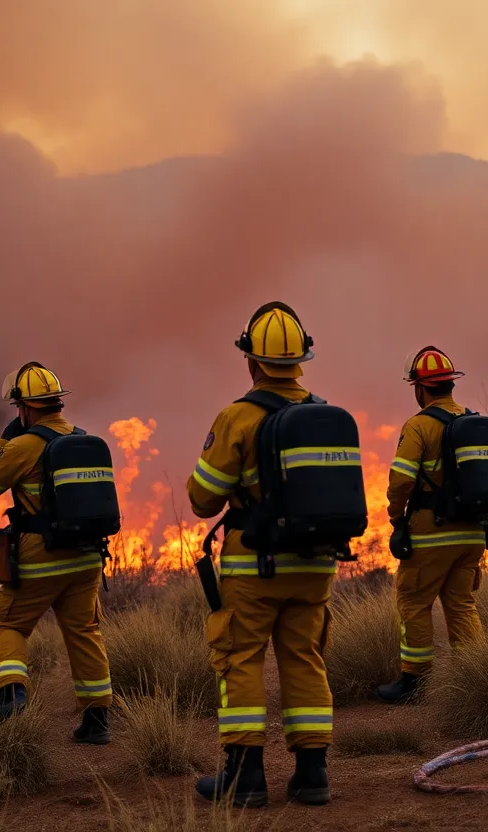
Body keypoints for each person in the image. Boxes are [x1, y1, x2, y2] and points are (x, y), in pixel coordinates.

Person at [187, 302, 336, 808]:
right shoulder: (324, 416)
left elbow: (203, 498)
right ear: (301, 361)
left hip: (254, 566)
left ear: (251, 361)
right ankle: (313, 774)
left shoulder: (238, 417)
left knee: (241, 658)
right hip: (316, 565)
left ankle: (245, 776)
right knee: (304, 657)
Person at [0, 362, 113, 743]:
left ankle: (12, 697)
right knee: (85, 631)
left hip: (41, 556)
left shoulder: (22, 445)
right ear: (56, 404)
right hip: (87, 558)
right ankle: (97, 721)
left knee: (8, 625)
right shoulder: (84, 440)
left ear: (25, 408)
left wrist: (4, 440)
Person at [376, 347, 488, 704]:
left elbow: (401, 481)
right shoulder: (474, 422)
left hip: (433, 530)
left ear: (420, 389)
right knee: (461, 603)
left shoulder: (419, 425)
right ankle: (476, 677)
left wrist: (396, 519)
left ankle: (414, 681)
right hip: (473, 532)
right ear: (450, 386)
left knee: (412, 600)